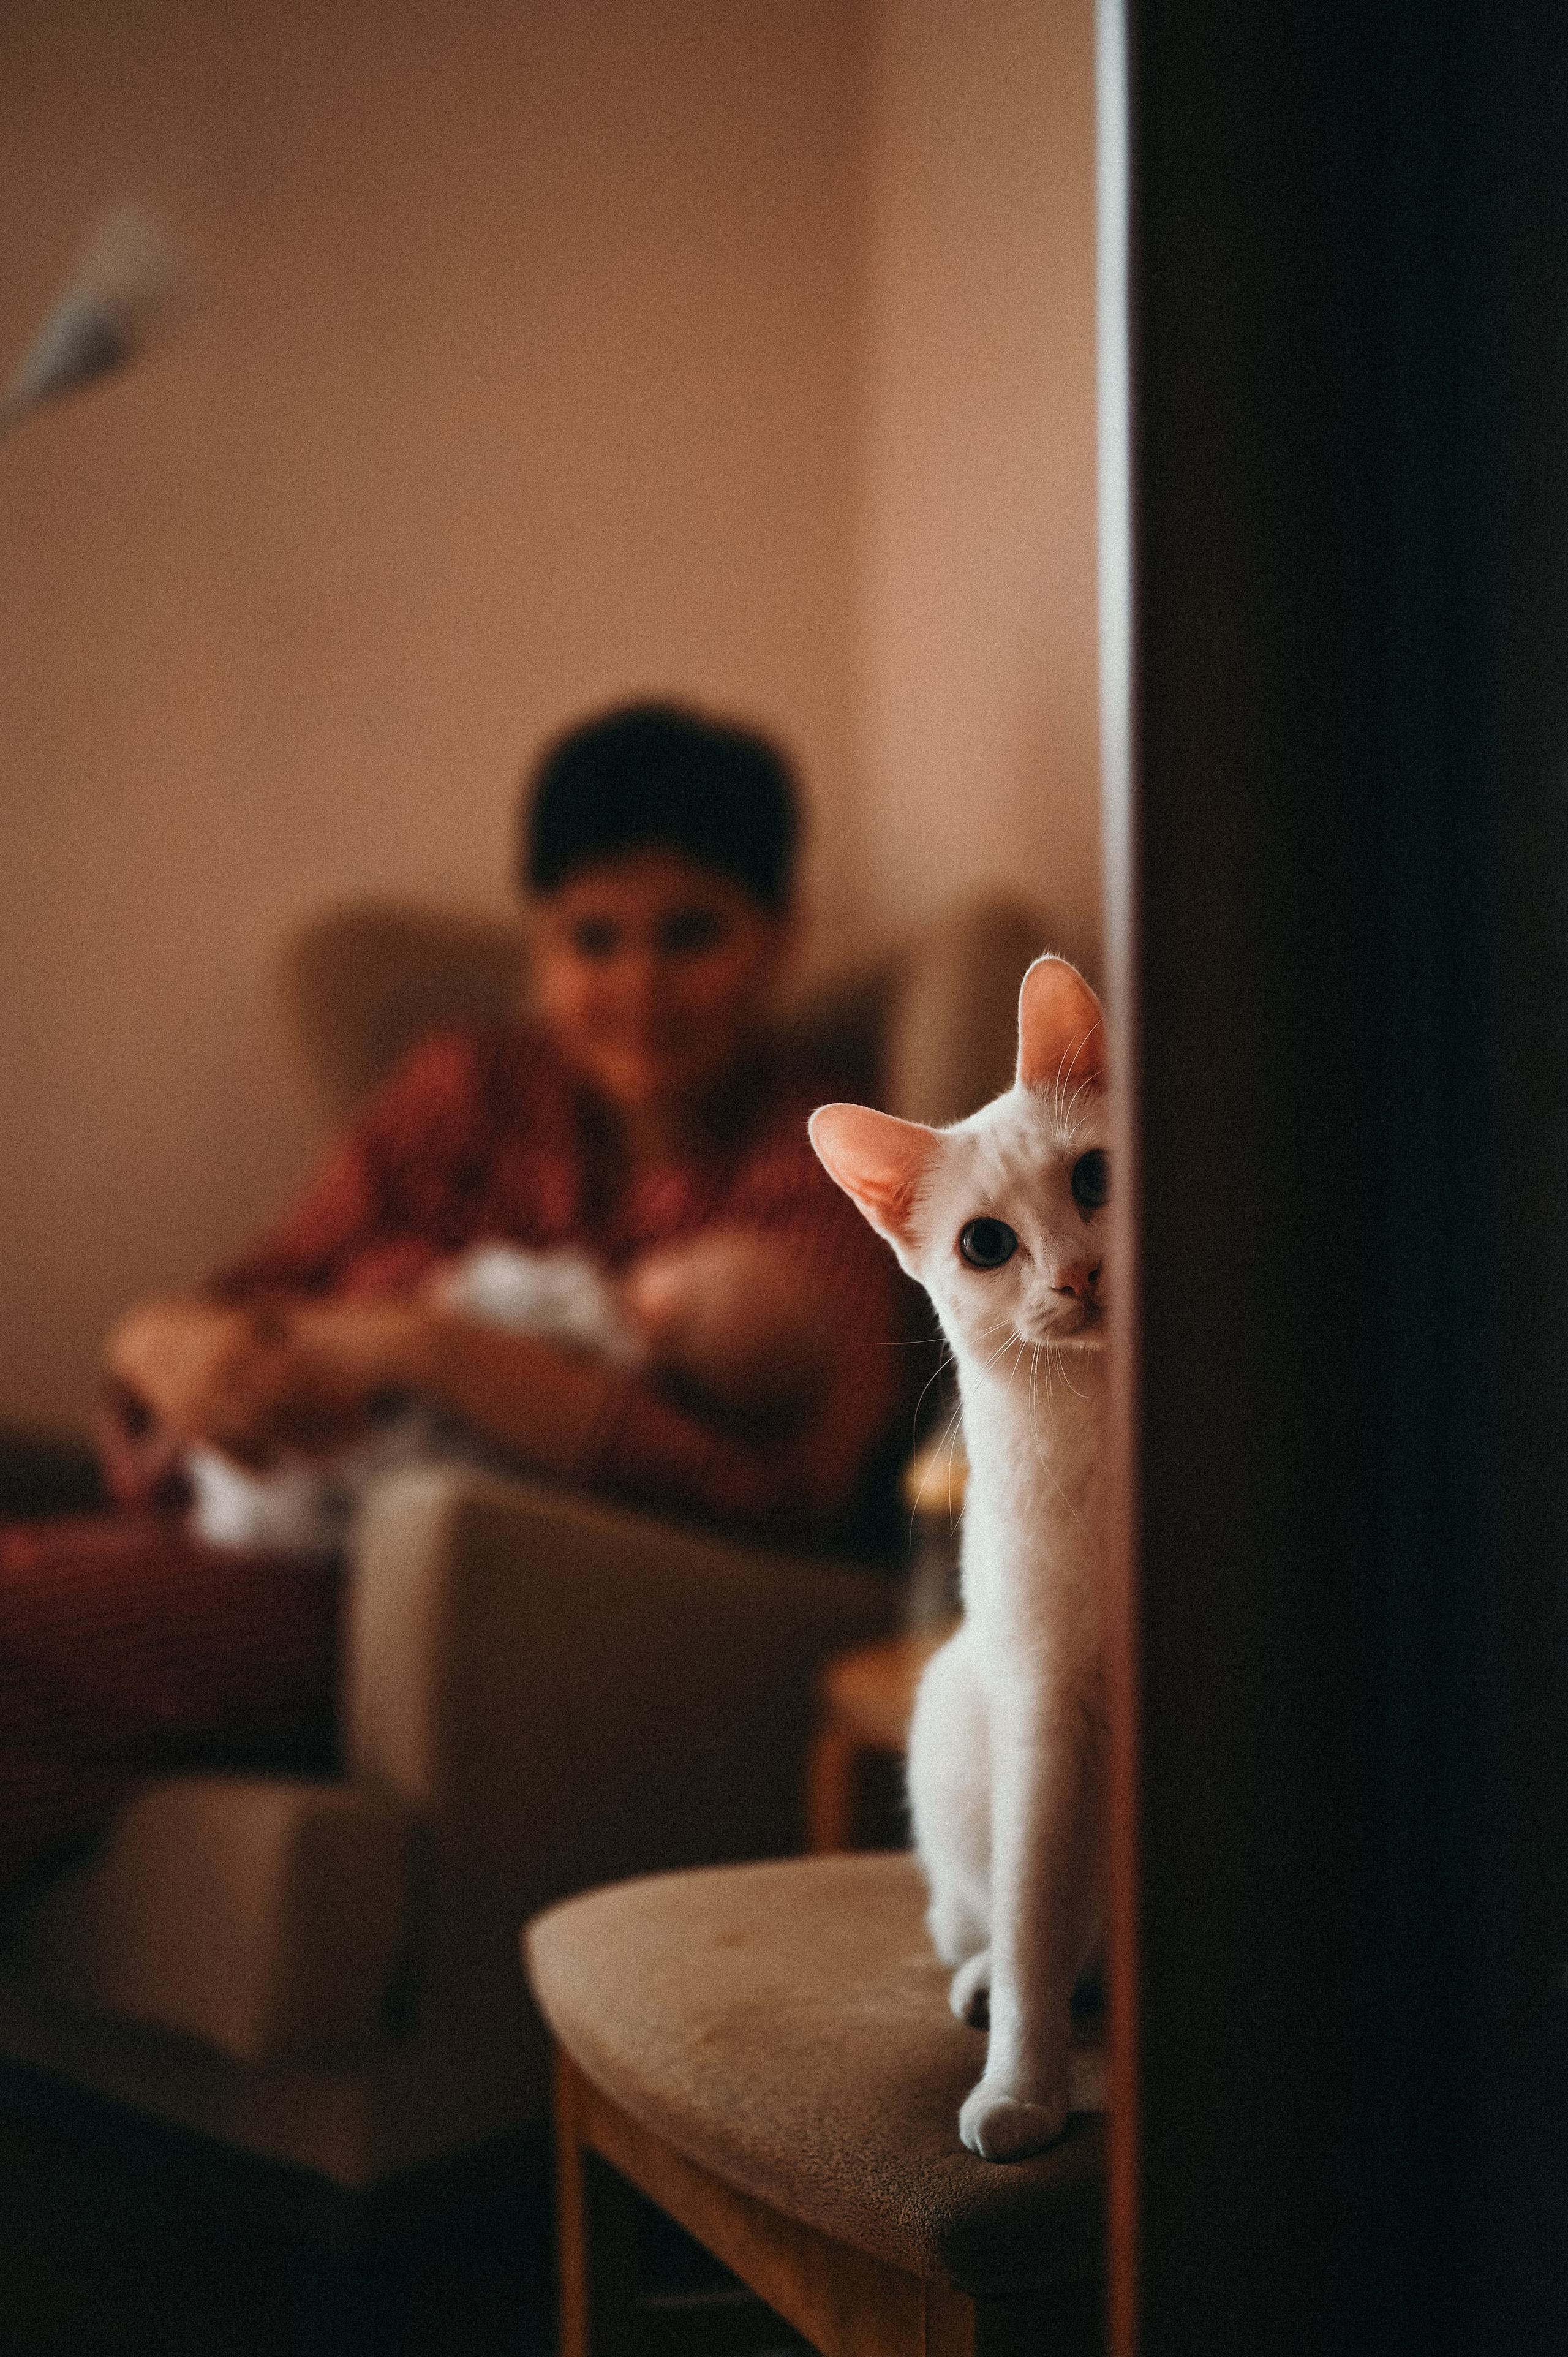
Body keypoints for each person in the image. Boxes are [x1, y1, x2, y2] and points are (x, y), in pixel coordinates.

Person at [0, 703, 910, 1902]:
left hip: (437, 1610)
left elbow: (783, 1491)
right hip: (250, 1503)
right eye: (593, 938)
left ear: (778, 935)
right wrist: (157, 1341)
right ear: (539, 949)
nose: (638, 986)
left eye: (689, 933)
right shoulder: (471, 1085)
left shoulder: (830, 1156)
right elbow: (253, 1289)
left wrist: (438, 1351)